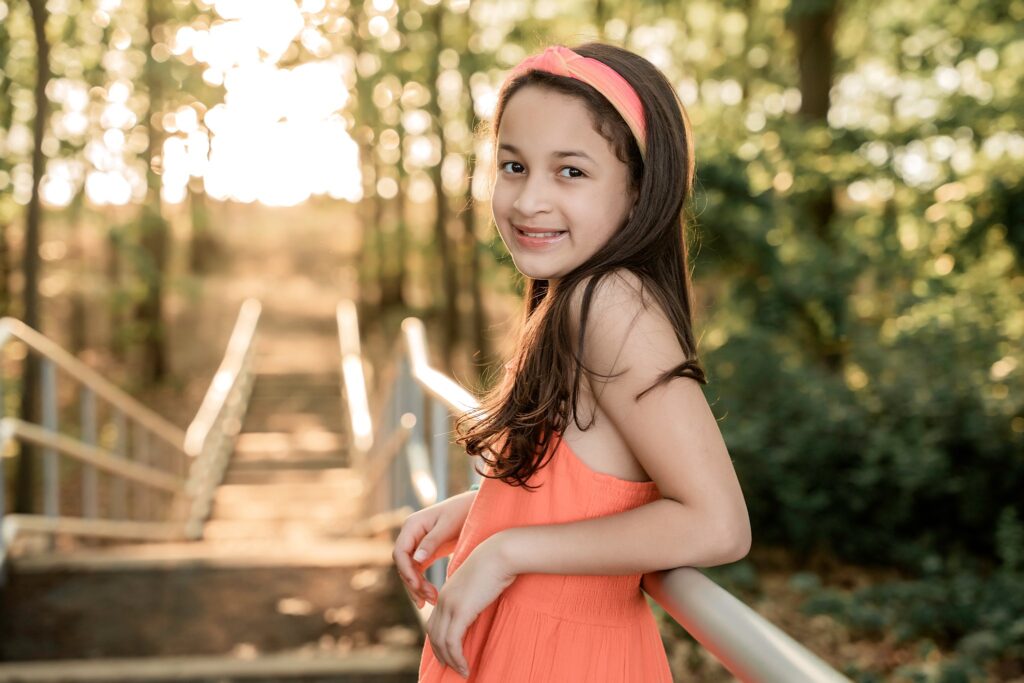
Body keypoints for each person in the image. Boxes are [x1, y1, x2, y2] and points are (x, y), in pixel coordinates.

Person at [392, 41, 751, 682]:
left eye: (571, 172)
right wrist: (478, 514)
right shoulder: (572, 301)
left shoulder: (608, 304)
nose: (530, 200)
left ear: (639, 192)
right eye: (513, 166)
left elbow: (719, 523)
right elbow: (590, 481)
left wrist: (506, 551)